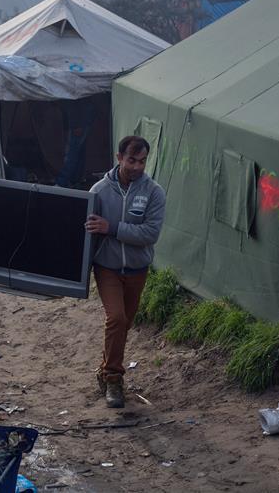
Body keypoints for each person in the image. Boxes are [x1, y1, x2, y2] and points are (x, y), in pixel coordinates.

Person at [85, 136, 166, 408]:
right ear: (119, 157)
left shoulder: (154, 192)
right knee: (117, 318)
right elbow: (85, 232)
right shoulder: (98, 191)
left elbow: (150, 233)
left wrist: (113, 228)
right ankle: (114, 380)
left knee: (125, 324)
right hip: (106, 267)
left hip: (137, 268)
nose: (137, 167)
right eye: (132, 160)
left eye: (142, 161)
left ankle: (104, 367)